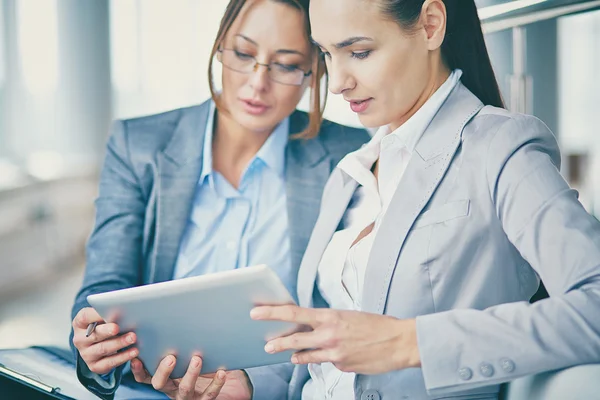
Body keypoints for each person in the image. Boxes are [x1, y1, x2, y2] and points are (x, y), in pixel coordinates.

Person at [245, 0, 600, 399]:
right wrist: (247, 385)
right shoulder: (349, 174)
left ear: (431, 25)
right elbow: (327, 358)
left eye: (359, 52)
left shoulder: (499, 148)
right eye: (327, 54)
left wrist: (406, 342)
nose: (338, 80)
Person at [69, 0, 369, 398]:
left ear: (313, 73)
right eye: (244, 54)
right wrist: (95, 339)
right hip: (146, 389)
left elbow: (348, 317)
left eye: (286, 64)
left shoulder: (349, 157)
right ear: (219, 49)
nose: (257, 84)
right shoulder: (138, 144)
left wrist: (254, 386)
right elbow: (105, 285)